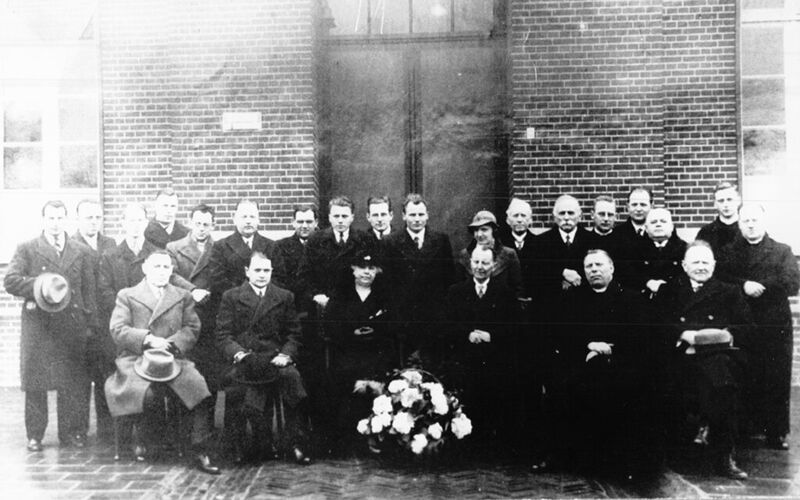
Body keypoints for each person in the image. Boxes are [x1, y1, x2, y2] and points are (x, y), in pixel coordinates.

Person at [104, 250, 220, 474]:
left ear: (171, 271)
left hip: (173, 356)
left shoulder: (182, 296)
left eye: (166, 267)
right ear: (145, 269)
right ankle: (148, 443)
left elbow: (192, 327)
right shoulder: (127, 295)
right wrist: (147, 339)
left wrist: (171, 343)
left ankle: (198, 449)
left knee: (198, 389)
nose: (161, 271)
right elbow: (118, 329)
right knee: (146, 394)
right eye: (156, 266)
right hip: (137, 358)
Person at [550, 250, 662, 477]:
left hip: (621, 361)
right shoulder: (572, 298)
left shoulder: (631, 298)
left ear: (611, 268)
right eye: (589, 266)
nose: (594, 270)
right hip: (582, 359)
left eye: (599, 265)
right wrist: (589, 345)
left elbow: (641, 338)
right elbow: (562, 334)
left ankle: (621, 461)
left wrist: (610, 349)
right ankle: (580, 458)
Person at [4, 200, 98, 452]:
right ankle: (35, 434)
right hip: (40, 326)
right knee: (36, 382)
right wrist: (42, 285)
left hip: (72, 325)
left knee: (71, 382)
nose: (55, 224)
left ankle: (72, 433)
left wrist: (90, 324)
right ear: (43, 220)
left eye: (59, 218)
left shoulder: (81, 250)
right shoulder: (27, 248)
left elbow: (88, 290)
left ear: (66, 219)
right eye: (51, 218)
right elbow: (10, 280)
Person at [656, 242, 752, 479]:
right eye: (695, 262)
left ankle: (724, 456)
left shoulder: (729, 291)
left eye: (705, 262)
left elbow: (746, 326)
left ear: (714, 265)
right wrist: (683, 333)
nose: (701, 267)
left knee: (722, 385)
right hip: (680, 354)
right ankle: (672, 452)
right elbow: (657, 322)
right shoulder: (670, 290)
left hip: (718, 356)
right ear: (684, 265)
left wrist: (722, 335)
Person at [215, 252, 312, 465]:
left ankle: (295, 442)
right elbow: (223, 335)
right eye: (257, 270)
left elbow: (294, 334)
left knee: (292, 380)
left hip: (275, 358)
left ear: (271, 272)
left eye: (266, 270)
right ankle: (238, 444)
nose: (262, 275)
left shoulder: (284, 296)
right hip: (245, 358)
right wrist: (239, 353)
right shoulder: (231, 296)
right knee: (235, 386)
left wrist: (286, 355)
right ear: (247, 272)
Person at [717, 204, 800, 449]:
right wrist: (743, 285)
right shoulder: (728, 252)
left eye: (755, 220)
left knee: (776, 377)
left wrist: (760, 286)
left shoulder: (782, 251)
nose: (751, 225)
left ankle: (776, 432)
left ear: (763, 221)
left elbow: (792, 283)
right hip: (742, 322)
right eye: (746, 221)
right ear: (739, 224)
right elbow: (720, 279)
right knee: (744, 374)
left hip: (775, 325)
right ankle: (744, 430)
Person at [325, 251, 396, 453]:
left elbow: (393, 324)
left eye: (371, 268)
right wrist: (351, 332)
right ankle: (346, 438)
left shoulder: (384, 295)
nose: (367, 272)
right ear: (353, 270)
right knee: (341, 376)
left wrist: (376, 330)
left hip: (377, 351)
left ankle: (378, 434)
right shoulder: (341, 295)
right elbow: (330, 326)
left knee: (383, 375)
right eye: (362, 268)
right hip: (348, 352)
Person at [445, 245, 515, 448]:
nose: (480, 267)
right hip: (464, 358)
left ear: (494, 265)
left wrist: (491, 336)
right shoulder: (456, 292)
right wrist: (467, 334)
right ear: (470, 264)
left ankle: (491, 442)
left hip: (494, 358)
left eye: (485, 263)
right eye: (476, 262)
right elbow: (446, 325)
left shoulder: (505, 293)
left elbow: (514, 328)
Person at [382, 193, 455, 366]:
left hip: (433, 319)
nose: (417, 219)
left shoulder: (441, 240)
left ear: (427, 215)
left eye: (421, 214)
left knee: (433, 368)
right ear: (403, 216)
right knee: (404, 369)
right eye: (412, 214)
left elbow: (449, 278)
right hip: (404, 320)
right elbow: (387, 283)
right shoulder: (390, 242)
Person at [98, 203, 198, 326]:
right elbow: (105, 290)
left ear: (146, 223)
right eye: (131, 220)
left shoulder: (157, 253)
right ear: (123, 223)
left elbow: (171, 279)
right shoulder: (110, 256)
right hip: (123, 319)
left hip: (152, 319)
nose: (136, 225)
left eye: (140, 220)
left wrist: (192, 290)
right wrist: (123, 310)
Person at [166, 204, 220, 426]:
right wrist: (192, 290)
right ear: (190, 222)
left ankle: (207, 427)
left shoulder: (219, 248)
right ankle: (182, 428)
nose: (201, 228)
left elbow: (222, 277)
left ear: (213, 225)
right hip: (185, 316)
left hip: (210, 317)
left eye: (206, 224)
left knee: (209, 374)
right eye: (197, 223)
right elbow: (171, 275)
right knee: (183, 372)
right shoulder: (174, 247)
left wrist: (209, 292)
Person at [71, 199, 118, 443]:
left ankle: (106, 429)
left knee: (105, 375)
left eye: (98, 217)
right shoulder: (70, 245)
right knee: (80, 378)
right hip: (81, 321)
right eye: (89, 217)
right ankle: (78, 429)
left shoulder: (110, 244)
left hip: (106, 321)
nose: (94, 222)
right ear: (78, 219)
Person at [198, 199, 276, 303]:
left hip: (264, 303)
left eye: (252, 217)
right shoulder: (220, 247)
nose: (248, 221)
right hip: (233, 304)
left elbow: (278, 279)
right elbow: (218, 282)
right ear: (235, 219)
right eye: (244, 217)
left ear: (258, 220)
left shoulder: (271, 246)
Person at [300, 196, 369, 311]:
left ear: (352, 217)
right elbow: (304, 274)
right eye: (336, 216)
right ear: (329, 217)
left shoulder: (364, 239)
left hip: (355, 304)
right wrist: (315, 295)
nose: (340, 220)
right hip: (325, 303)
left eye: (344, 216)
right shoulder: (315, 240)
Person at [456, 210, 523, 299]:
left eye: (484, 229)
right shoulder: (464, 255)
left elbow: (517, 289)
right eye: (476, 230)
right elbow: (458, 289)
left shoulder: (508, 254)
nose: (479, 234)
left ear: (494, 231)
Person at [625, 207, 687, 297]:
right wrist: (648, 282)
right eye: (653, 222)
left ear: (671, 227)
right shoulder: (634, 249)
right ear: (646, 228)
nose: (658, 224)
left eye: (663, 221)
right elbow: (629, 274)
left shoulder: (685, 249)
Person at [272, 204, 318, 314]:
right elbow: (278, 279)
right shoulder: (280, 246)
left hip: (318, 307)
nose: (304, 226)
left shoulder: (324, 245)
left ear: (316, 222)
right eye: (300, 222)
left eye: (309, 222)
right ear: (293, 222)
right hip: (292, 307)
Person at [696, 182, 742, 255]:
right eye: (721, 201)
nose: (725, 204)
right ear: (715, 204)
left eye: (729, 199)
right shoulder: (706, 232)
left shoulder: (747, 229)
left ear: (738, 201)